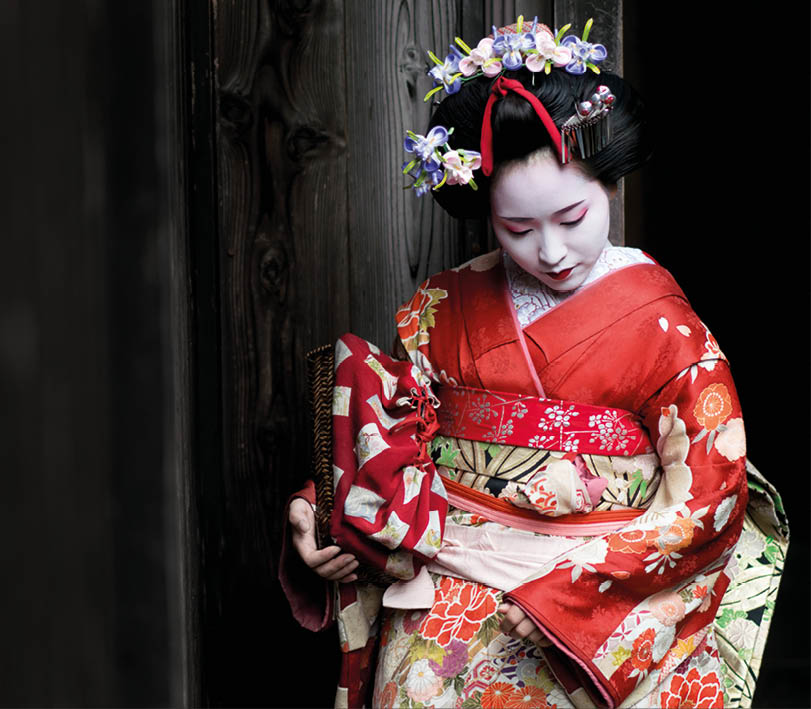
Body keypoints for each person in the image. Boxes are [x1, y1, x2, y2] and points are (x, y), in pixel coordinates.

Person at [281, 17, 787, 709]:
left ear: (607, 187)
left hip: (587, 603)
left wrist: (578, 595)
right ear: (485, 214)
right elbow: (393, 440)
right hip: (446, 599)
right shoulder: (443, 304)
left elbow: (709, 489)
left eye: (571, 216)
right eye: (517, 229)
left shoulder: (661, 323)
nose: (549, 250)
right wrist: (327, 509)